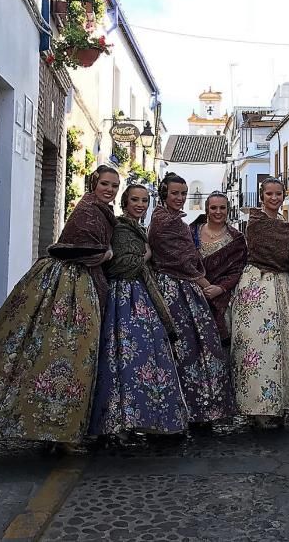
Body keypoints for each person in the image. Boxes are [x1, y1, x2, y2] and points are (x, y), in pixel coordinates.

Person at [0, 166, 120, 444]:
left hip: (79, 284)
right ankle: (52, 429)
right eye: (105, 184)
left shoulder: (101, 211)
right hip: (70, 287)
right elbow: (82, 251)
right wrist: (108, 252)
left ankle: (60, 431)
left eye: (114, 186)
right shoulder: (87, 211)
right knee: (62, 355)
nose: (109, 190)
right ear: (94, 184)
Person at [90, 184, 188, 440]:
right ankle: (119, 420)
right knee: (124, 356)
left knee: (144, 356)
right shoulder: (121, 228)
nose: (140, 205)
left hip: (140, 295)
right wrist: (145, 256)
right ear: (125, 202)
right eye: (135, 200)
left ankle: (140, 418)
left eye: (144, 200)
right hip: (123, 297)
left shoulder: (138, 229)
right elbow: (120, 264)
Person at [149, 174, 234, 427]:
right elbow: (182, 259)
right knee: (189, 349)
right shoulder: (168, 222)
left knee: (194, 348)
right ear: (164, 193)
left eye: (183, 193)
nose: (180, 198)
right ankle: (190, 410)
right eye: (175, 193)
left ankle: (187, 410)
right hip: (176, 289)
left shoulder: (170, 219)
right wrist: (205, 283)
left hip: (183, 285)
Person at [228, 177, 289, 428]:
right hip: (257, 286)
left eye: (278, 194)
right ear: (262, 196)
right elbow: (270, 252)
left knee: (279, 347)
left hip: (280, 287)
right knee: (254, 347)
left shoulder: (285, 225)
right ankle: (255, 407)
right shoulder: (255, 223)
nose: (274, 198)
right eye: (270, 194)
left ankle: (276, 405)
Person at [189, 192, 248, 348]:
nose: (218, 211)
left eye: (222, 207)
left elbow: (238, 269)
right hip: (193, 293)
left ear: (228, 209)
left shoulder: (236, 239)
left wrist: (220, 288)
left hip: (223, 298)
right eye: (213, 207)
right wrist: (203, 285)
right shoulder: (192, 232)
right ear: (207, 209)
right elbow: (185, 262)